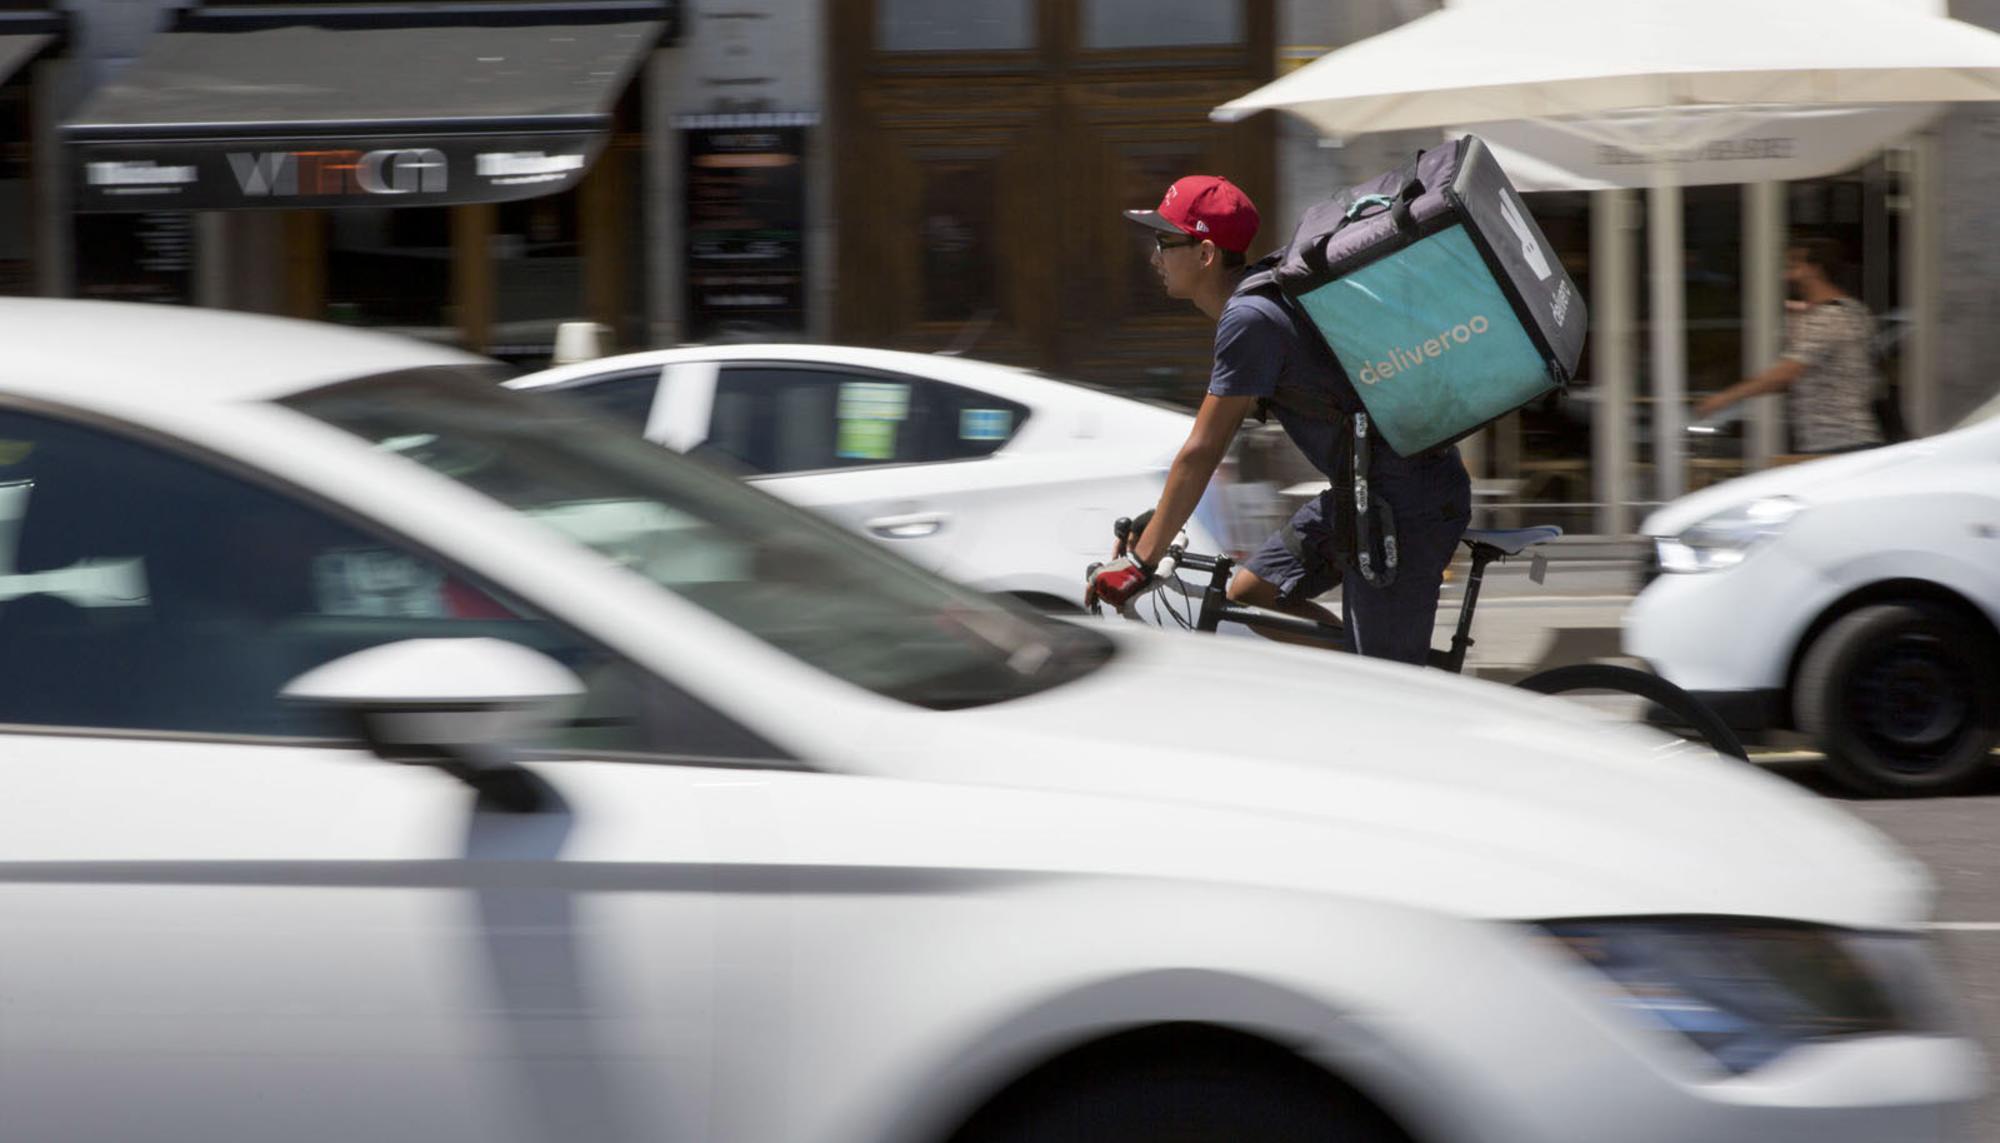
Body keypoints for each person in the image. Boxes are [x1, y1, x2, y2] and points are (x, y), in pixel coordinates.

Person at [1086, 176, 1471, 665]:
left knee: (1393, 687)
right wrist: (1158, 525)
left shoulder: (1250, 319)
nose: (1154, 257)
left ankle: (1401, 701)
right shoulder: (1261, 296)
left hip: (1403, 504)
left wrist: (1140, 562)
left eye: (1165, 242)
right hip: (1364, 494)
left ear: (1205, 254)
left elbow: (1203, 449)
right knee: (1252, 593)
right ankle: (1359, 673)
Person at [1694, 237, 1885, 455]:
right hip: (1845, 438)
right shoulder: (1854, 310)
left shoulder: (1828, 317)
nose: (1785, 273)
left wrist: (1724, 398)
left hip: (1837, 441)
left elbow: (1786, 373)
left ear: (1814, 269)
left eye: (1793, 265)